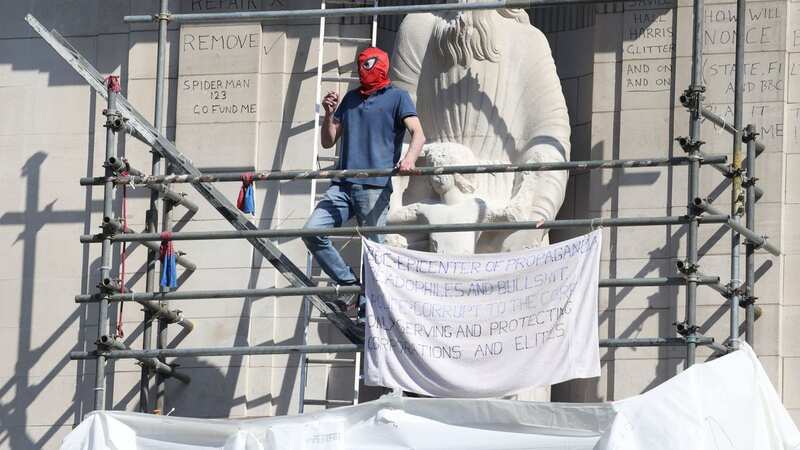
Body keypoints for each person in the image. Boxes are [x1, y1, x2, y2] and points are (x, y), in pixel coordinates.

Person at [303, 47, 426, 314]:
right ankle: (349, 288)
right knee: (312, 231)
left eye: (370, 66)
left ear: (382, 67)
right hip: (343, 185)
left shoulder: (397, 97)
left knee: (374, 249)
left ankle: (366, 312)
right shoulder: (351, 98)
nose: (365, 71)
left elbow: (418, 133)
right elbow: (328, 141)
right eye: (363, 67)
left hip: (374, 186)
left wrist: (409, 159)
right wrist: (328, 113)